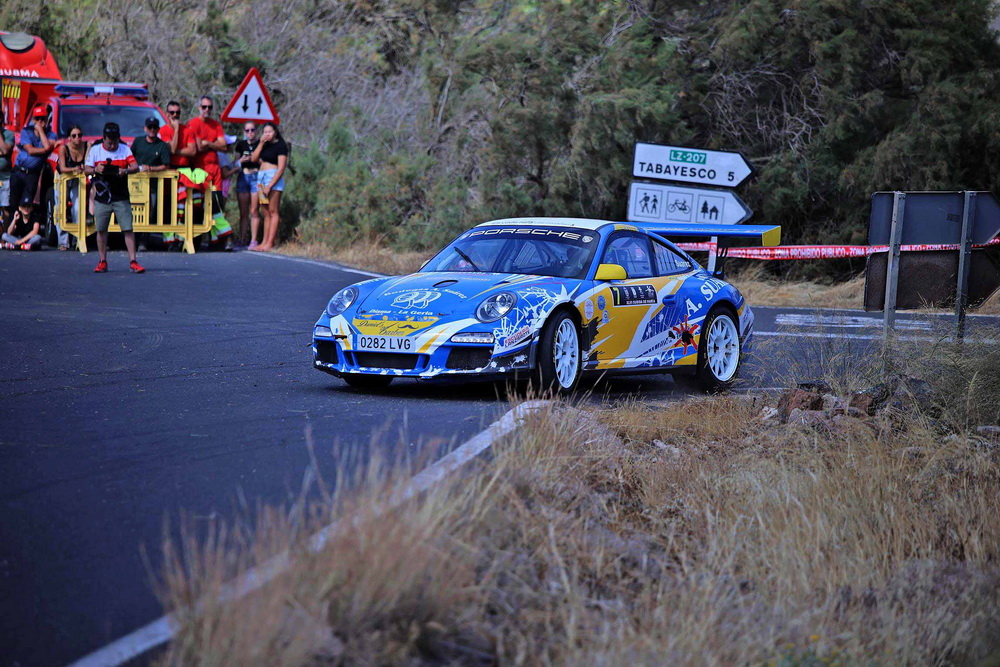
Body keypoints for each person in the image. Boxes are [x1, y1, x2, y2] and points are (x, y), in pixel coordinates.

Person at [84, 122, 144, 273]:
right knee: (101, 229)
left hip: (121, 195)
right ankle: (102, 261)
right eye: (109, 142)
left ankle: (133, 261)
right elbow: (86, 169)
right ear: (104, 138)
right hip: (102, 196)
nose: (112, 145)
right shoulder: (96, 150)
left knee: (128, 228)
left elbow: (135, 167)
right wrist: (96, 169)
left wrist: (125, 171)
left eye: (115, 142)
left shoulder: (124, 149)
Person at [187, 96, 233, 250]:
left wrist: (208, 143)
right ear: (199, 107)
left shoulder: (216, 124)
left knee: (216, 204)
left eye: (210, 107)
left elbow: (224, 146)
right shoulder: (193, 124)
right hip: (200, 169)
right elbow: (198, 147)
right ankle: (224, 236)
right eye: (204, 106)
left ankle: (217, 239)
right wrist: (213, 144)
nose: (207, 110)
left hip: (215, 169)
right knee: (199, 207)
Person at [9, 105, 55, 227]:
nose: (40, 121)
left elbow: (48, 145)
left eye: (42, 119)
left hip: (32, 174)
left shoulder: (51, 134)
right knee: (14, 203)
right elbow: (30, 150)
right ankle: (11, 230)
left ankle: (25, 230)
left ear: (47, 119)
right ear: (33, 120)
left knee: (27, 204)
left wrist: (40, 131)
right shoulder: (26, 131)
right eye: (37, 119)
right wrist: (44, 150)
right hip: (18, 171)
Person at [250, 122, 288, 252]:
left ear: (275, 132)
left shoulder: (281, 146)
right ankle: (264, 242)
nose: (267, 134)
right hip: (261, 177)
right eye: (265, 132)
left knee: (273, 211)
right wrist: (261, 143)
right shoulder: (263, 144)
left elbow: (281, 168)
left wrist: (270, 185)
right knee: (265, 212)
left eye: (270, 132)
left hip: (273, 178)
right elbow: (254, 159)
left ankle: (270, 243)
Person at [56, 124, 88, 250]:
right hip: (62, 178)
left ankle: (77, 239)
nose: (77, 138)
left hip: (77, 179)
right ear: (69, 137)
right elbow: (63, 168)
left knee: (77, 208)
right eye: (74, 136)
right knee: (60, 208)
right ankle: (63, 242)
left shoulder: (87, 146)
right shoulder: (64, 148)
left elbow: (87, 164)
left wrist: (83, 168)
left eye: (79, 135)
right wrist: (75, 168)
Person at [233, 122, 260, 248]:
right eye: (247, 130)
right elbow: (234, 163)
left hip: (256, 177)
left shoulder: (260, 144)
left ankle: (254, 240)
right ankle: (242, 238)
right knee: (243, 212)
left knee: (254, 210)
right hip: (243, 177)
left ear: (256, 131)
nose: (250, 133)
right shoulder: (241, 145)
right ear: (244, 132)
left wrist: (255, 158)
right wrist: (241, 160)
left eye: (252, 130)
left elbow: (265, 160)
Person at [0, 110, 15, 228]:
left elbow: (5, 150)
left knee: (5, 207)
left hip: (5, 177)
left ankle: (4, 233)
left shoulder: (9, 135)